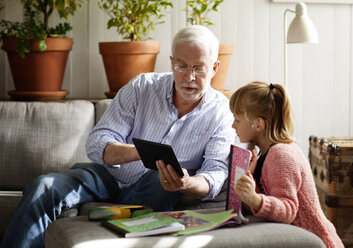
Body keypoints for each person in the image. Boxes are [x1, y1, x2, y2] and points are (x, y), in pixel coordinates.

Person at [0, 25, 235, 248]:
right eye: (182, 67)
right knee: (43, 187)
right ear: (172, 62)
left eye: (199, 68)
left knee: (159, 179)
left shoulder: (222, 113)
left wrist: (187, 183)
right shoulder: (142, 86)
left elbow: (215, 173)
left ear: (214, 67)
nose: (189, 77)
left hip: (154, 191)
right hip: (106, 176)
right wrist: (140, 151)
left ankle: (122, 217)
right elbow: (98, 141)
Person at [230, 81, 344, 248]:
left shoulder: (281, 155)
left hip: (319, 242)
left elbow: (288, 210)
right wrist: (250, 182)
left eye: (237, 120)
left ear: (259, 124)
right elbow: (256, 209)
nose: (233, 125)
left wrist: (255, 199)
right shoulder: (263, 155)